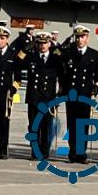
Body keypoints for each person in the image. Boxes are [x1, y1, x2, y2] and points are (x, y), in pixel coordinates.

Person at [59, 25, 98, 164]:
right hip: (71, 94)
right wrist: (63, 45)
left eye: (82, 36)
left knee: (83, 124)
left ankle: (81, 153)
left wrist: (97, 85)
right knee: (72, 124)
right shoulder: (68, 53)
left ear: (87, 38)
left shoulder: (94, 55)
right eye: (77, 37)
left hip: (85, 94)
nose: (80, 39)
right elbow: (57, 59)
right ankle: (72, 153)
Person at [15, 31, 61, 160]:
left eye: (45, 43)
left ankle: (44, 153)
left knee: (46, 127)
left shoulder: (54, 58)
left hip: (48, 98)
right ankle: (35, 152)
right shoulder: (32, 56)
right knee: (34, 127)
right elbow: (17, 61)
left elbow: (63, 62)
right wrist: (25, 48)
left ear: (49, 44)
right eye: (40, 43)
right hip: (34, 97)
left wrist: (56, 47)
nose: (43, 46)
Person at [0, 25, 21, 160]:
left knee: (3, 122)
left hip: (5, 93)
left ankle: (2, 149)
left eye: (2, 38)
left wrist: (13, 89)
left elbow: (18, 77)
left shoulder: (13, 54)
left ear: (7, 39)